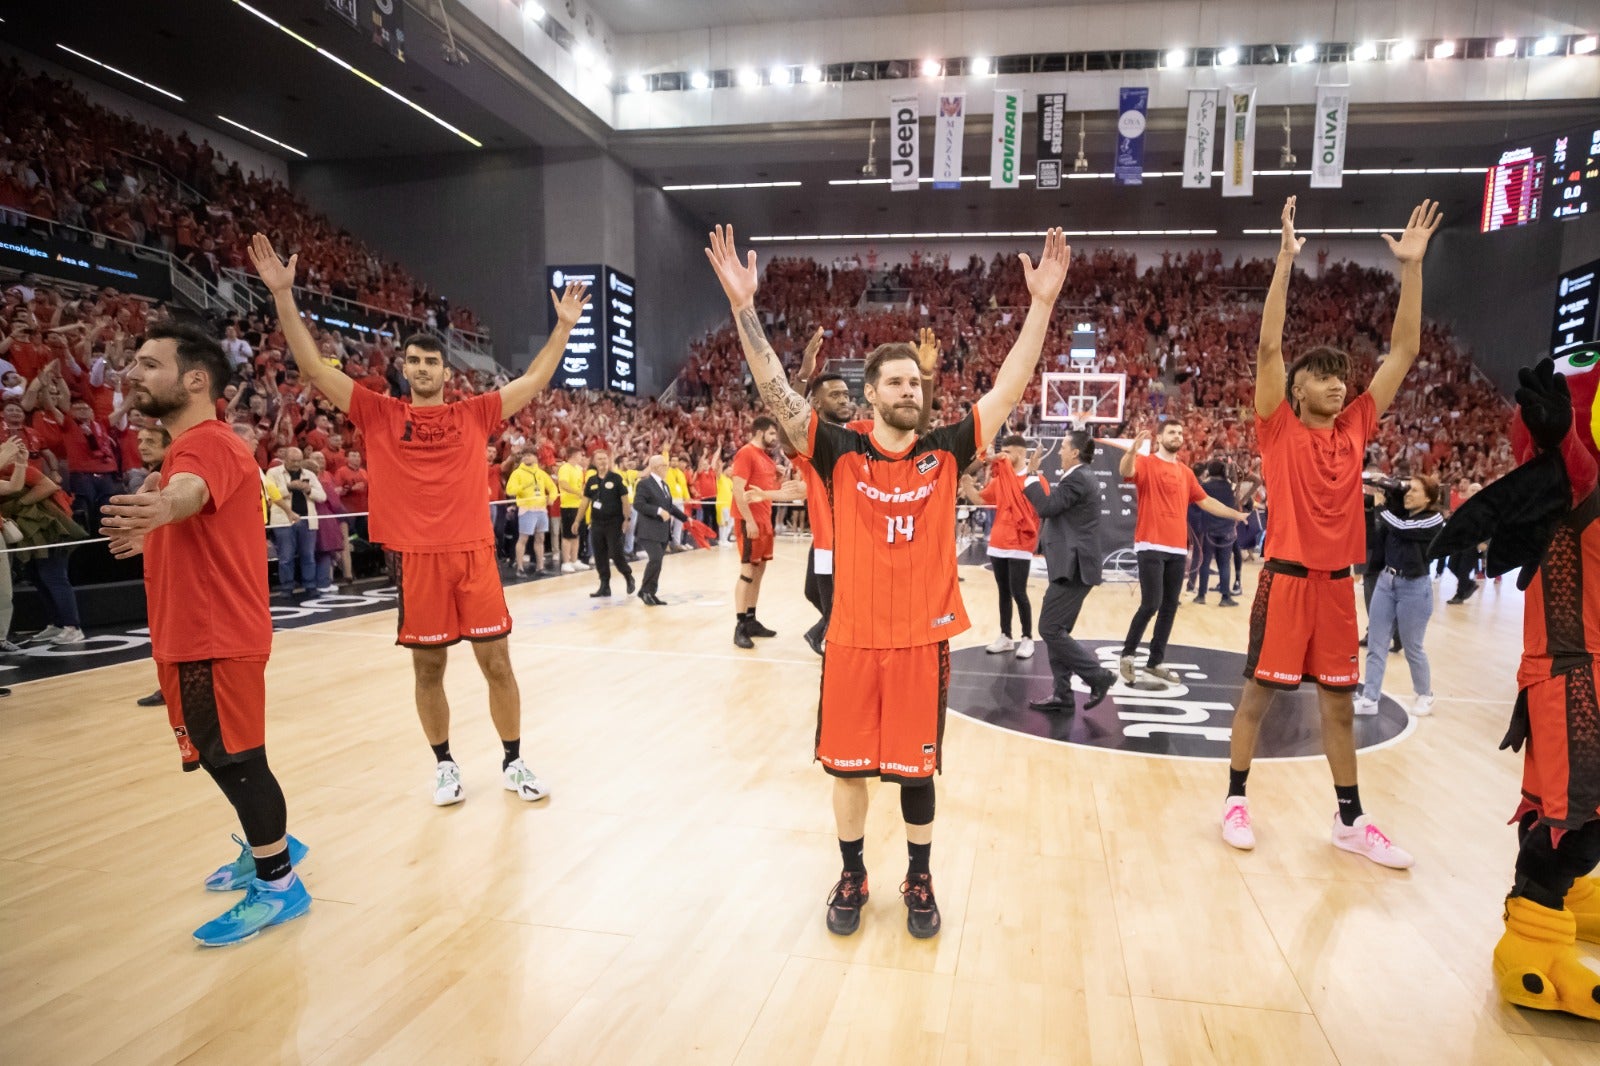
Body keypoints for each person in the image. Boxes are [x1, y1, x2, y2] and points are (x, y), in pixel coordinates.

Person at [705, 222, 1071, 940]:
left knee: (913, 773)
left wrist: (1042, 307)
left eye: (916, 382)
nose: (911, 390)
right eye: (896, 382)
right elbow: (775, 390)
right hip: (850, 642)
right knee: (847, 770)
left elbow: (1009, 385)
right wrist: (745, 308)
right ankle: (852, 872)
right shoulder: (837, 448)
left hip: (917, 647)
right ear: (870, 393)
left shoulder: (945, 448)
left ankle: (920, 875)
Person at [251, 233, 585, 806]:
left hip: (475, 554)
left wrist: (564, 327)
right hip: (419, 560)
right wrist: (283, 295)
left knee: (497, 663)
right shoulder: (376, 413)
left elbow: (532, 382)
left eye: (434, 361)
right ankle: (445, 765)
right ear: (403, 369)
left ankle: (513, 760)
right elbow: (309, 365)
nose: (425, 368)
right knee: (428, 671)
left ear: (447, 373)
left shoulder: (473, 413)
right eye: (416, 361)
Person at [1222, 195, 1441, 868]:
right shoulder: (1278, 427)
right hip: (1285, 582)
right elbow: (1267, 345)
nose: (1339, 385)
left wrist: (1411, 269)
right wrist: (1286, 259)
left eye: (1342, 376)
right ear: (1296, 388)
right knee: (1258, 695)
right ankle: (1234, 798)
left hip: (1337, 590)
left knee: (1340, 711)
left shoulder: (1355, 428)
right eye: (1323, 376)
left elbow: (1404, 347)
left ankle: (1351, 820)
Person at [100, 319, 310, 946]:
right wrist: (154, 527)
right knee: (226, 757)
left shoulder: (204, 445)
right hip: (194, 634)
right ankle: (268, 843)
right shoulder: (186, 450)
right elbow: (193, 510)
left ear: (194, 380)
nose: (132, 374)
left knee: (238, 761)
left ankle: (278, 883)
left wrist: (165, 506)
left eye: (147, 363)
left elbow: (191, 492)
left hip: (213, 637)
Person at [1107, 422, 1246, 684]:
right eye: (1172, 432)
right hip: (1150, 544)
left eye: (1181, 432)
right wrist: (1131, 452)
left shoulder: (1185, 472)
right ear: (1159, 437)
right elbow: (1126, 470)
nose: (1178, 436)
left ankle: (1155, 662)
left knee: (1170, 606)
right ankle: (1127, 655)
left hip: (1176, 547)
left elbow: (1206, 502)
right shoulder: (1146, 463)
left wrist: (1236, 514)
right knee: (1151, 604)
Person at [1022, 430, 1119, 713]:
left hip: (1074, 567)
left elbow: (1048, 506)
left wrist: (1031, 474)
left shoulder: (1078, 477)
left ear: (1075, 452)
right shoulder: (1080, 477)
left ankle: (1098, 676)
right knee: (1058, 630)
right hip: (1072, 565)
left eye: (1064, 447)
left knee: (1049, 629)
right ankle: (1063, 695)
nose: (1060, 451)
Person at [1353, 474, 1445, 718]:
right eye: (1407, 489)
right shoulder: (1400, 512)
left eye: (1414, 490)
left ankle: (1425, 694)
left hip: (1415, 588)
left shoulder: (1433, 519)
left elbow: (1403, 529)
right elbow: (1387, 522)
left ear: (1429, 497)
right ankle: (1370, 698)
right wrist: (1386, 488)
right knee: (1376, 643)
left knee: (1413, 647)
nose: (1408, 494)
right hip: (1386, 582)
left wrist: (1382, 503)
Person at [964, 435, 1042, 662]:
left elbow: (1040, 507)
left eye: (1006, 452)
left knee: (1019, 592)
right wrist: (966, 484)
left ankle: (1027, 637)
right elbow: (980, 499)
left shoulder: (1033, 479)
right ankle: (1006, 635)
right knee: (1003, 593)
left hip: (1020, 544)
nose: (1002, 455)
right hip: (998, 543)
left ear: (1017, 454)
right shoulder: (999, 481)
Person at [729, 417, 781, 649]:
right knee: (747, 572)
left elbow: (768, 492)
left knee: (759, 572)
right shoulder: (746, 453)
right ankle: (739, 626)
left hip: (764, 521)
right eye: (771, 433)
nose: (775, 438)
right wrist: (748, 520)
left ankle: (751, 619)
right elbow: (738, 489)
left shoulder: (767, 459)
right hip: (749, 520)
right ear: (760, 432)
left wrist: (778, 478)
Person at [132, 422, 173, 708]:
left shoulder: (174, 474)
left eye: (150, 440)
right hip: (157, 562)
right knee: (160, 631)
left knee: (170, 632)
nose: (142, 445)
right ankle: (167, 687)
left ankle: (172, 688)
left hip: (173, 566)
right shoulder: (155, 472)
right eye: (140, 439)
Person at [264, 447, 324, 594]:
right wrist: (289, 487)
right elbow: (269, 494)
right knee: (286, 557)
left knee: (308, 555)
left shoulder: (309, 474)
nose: (296, 464)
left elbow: (322, 496)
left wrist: (308, 490)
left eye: (299, 461)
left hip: (307, 520)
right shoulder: (273, 473)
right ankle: (287, 588)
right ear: (285, 459)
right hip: (283, 521)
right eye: (293, 461)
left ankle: (310, 586)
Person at [577, 449, 634, 597]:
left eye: (604, 458)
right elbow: (584, 502)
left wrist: (626, 519)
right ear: (594, 462)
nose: (602, 461)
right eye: (599, 459)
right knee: (599, 555)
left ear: (608, 461)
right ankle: (604, 585)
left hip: (614, 522)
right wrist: (578, 520)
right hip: (597, 523)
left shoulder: (616, 478)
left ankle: (628, 576)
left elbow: (625, 500)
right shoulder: (591, 481)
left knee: (616, 553)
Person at [631, 454, 688, 605]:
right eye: (665, 466)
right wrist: (657, 511)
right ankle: (645, 591)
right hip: (648, 530)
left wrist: (686, 518)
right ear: (656, 467)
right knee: (655, 559)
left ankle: (649, 591)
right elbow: (638, 504)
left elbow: (670, 506)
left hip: (662, 531)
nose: (667, 468)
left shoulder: (664, 485)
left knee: (658, 561)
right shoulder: (644, 484)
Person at [1195, 460, 1243, 606]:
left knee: (1205, 563)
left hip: (1209, 530)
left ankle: (1201, 595)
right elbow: (1236, 501)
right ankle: (1225, 597)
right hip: (1227, 530)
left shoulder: (1204, 487)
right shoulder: (1229, 487)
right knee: (1224, 564)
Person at [506, 449, 557, 576]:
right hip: (527, 509)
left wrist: (551, 498)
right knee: (523, 538)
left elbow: (552, 487)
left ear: (535, 457)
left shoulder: (541, 473)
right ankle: (520, 568)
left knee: (540, 538)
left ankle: (540, 567)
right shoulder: (517, 473)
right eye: (524, 455)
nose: (526, 457)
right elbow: (510, 490)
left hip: (541, 509)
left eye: (529, 455)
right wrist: (523, 487)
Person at [557, 446, 587, 573]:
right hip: (568, 505)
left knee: (577, 534)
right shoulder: (565, 468)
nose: (582, 457)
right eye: (581, 455)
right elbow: (563, 484)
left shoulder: (578, 469)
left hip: (579, 505)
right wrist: (577, 492)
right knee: (568, 535)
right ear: (574, 455)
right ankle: (566, 562)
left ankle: (574, 560)